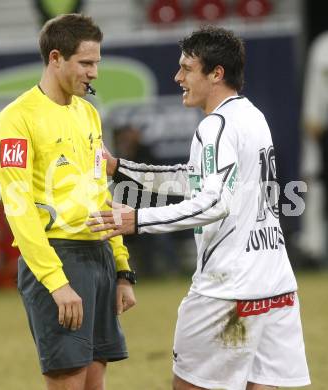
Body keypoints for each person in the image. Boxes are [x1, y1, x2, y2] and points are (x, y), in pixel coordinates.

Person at [88, 26, 310, 389]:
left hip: (227, 289)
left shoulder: (216, 126)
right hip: (276, 284)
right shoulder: (253, 116)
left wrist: (137, 220)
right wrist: (121, 167)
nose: (178, 77)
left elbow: (213, 202)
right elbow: (192, 178)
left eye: (187, 68)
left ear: (216, 73)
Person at [0, 14, 136, 390]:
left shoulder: (88, 112)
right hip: (58, 257)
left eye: (97, 63)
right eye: (86, 63)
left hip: (99, 255)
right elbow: (18, 207)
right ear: (56, 58)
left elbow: (99, 190)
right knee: (67, 381)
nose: (94, 73)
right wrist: (56, 282)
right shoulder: (16, 119)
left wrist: (121, 268)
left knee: (94, 381)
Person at [300, 30, 328, 266]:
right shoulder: (322, 47)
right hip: (324, 134)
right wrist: (312, 119)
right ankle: (316, 252)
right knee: (317, 190)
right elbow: (314, 95)